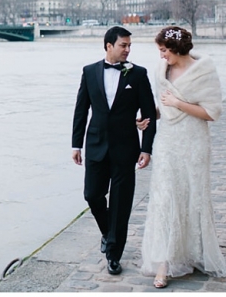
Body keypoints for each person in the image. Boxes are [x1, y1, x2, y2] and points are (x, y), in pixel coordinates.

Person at [139, 26, 226, 288]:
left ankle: (191, 253)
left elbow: (212, 112)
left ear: (177, 49)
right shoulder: (162, 71)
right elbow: (164, 105)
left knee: (192, 198)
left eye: (164, 50)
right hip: (167, 142)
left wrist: (179, 104)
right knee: (165, 199)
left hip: (193, 142)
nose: (161, 56)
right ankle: (163, 265)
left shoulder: (204, 71)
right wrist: (151, 116)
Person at [72, 26, 157, 276]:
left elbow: (149, 114)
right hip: (95, 146)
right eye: (123, 45)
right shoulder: (89, 72)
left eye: (130, 46)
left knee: (121, 204)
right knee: (92, 195)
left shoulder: (138, 74)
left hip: (125, 148)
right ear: (109, 45)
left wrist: (146, 148)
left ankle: (113, 255)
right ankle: (108, 233)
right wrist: (76, 144)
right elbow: (81, 110)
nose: (128, 50)